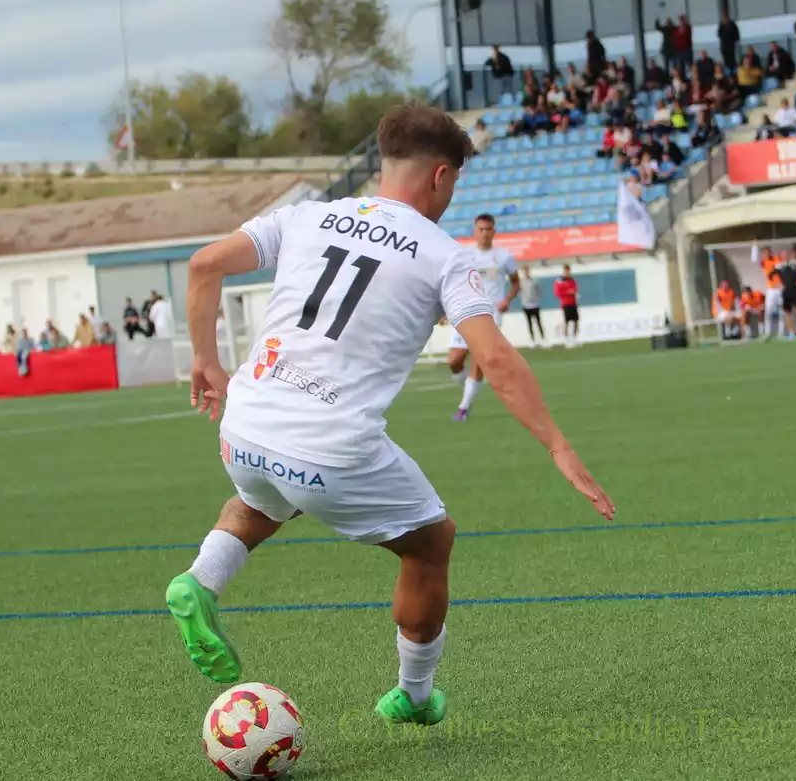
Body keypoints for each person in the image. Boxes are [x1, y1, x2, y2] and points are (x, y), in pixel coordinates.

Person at [164, 104, 613, 728]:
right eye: (454, 181)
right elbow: (498, 361)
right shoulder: (443, 256)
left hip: (244, 423)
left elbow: (204, 264)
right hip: (329, 447)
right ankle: (416, 693)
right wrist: (559, 447)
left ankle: (200, 580)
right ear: (439, 176)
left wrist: (206, 363)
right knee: (431, 541)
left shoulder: (307, 216)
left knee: (265, 496)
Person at [446, 213, 519, 421]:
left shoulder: (504, 256)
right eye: (481, 229)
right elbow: (454, 284)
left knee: (480, 358)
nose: (484, 233)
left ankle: (464, 407)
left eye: (488, 229)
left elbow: (516, 282)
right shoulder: (464, 255)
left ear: (494, 231)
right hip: (465, 311)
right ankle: (470, 389)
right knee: (454, 361)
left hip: (490, 314)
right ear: (474, 231)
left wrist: (507, 300)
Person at [518, 265, 544, 347]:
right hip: (526, 305)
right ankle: (532, 340)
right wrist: (523, 300)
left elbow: (539, 291)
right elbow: (519, 293)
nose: (526, 272)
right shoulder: (521, 282)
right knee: (529, 323)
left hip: (535, 304)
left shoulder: (534, 281)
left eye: (527, 270)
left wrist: (536, 299)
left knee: (538, 322)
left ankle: (543, 339)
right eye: (525, 271)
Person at [554, 265, 580, 346]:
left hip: (573, 303)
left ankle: (574, 338)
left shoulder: (572, 280)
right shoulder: (559, 281)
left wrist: (571, 292)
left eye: (568, 271)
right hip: (566, 303)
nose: (567, 272)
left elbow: (575, 289)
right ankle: (566, 339)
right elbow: (558, 292)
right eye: (566, 271)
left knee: (576, 321)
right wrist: (567, 292)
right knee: (567, 321)